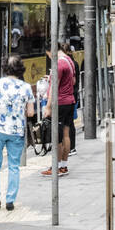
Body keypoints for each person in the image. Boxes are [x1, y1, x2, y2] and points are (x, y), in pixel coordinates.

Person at [0, 56, 35, 211]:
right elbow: (30, 113)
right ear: (20, 69)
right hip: (17, 131)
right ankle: (10, 201)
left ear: (4, 68)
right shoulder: (26, 87)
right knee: (14, 166)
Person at [41, 43, 75, 177]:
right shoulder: (69, 61)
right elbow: (72, 81)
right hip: (69, 101)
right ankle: (63, 166)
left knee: (57, 137)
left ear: (51, 51)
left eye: (48, 55)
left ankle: (56, 167)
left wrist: (48, 107)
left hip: (59, 103)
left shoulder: (59, 64)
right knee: (66, 134)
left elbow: (54, 87)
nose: (49, 58)